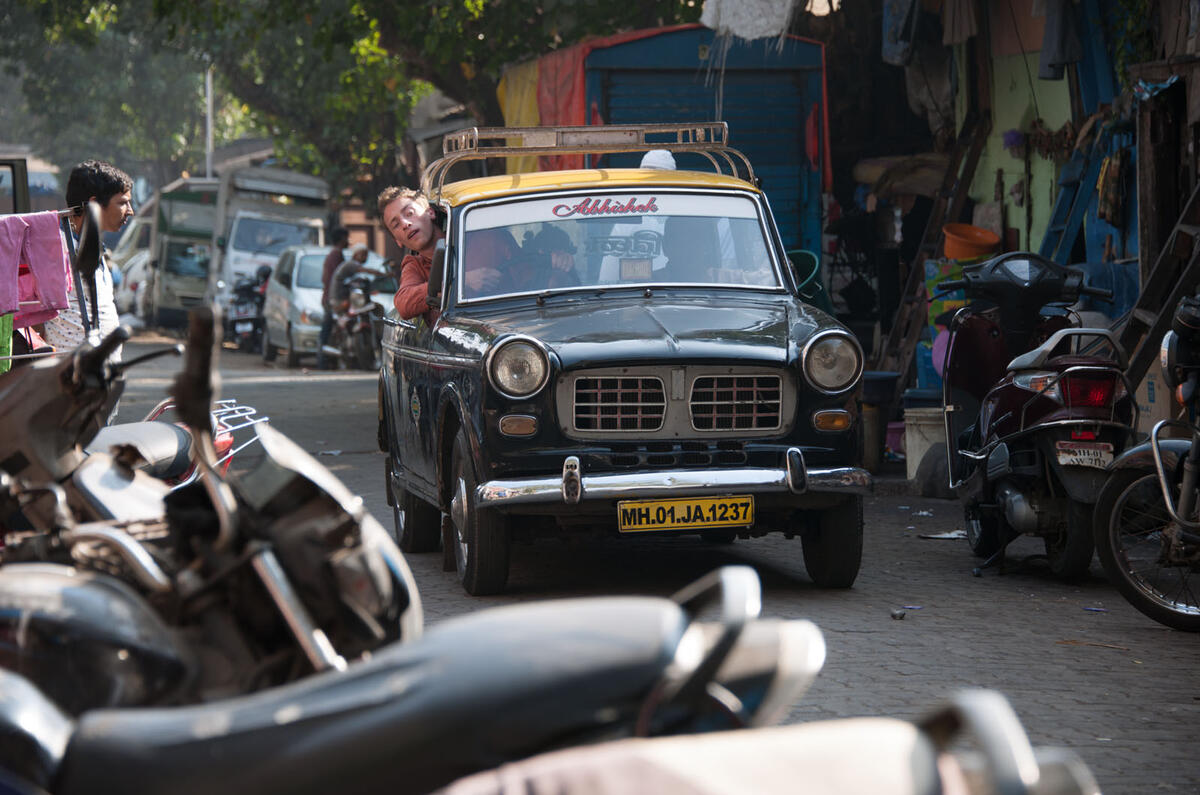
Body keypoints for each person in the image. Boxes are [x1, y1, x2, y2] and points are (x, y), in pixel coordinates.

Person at [43, 160, 132, 359]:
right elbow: (37, 314)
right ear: (93, 205)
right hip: (71, 376)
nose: (130, 211)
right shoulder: (58, 249)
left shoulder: (96, 248)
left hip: (101, 373)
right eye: (123, 203)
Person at [380, 187, 445, 325]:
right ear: (398, 241)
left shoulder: (475, 241)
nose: (405, 224)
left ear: (430, 212)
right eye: (396, 224)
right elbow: (404, 303)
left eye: (409, 213)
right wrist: (450, 286)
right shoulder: (414, 265)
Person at [317, 227, 350, 369]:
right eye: (346, 238)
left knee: (329, 329)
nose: (348, 241)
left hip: (329, 297)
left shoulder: (333, 255)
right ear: (341, 239)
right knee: (327, 329)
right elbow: (335, 279)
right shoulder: (336, 256)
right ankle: (323, 362)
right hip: (333, 299)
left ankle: (327, 361)